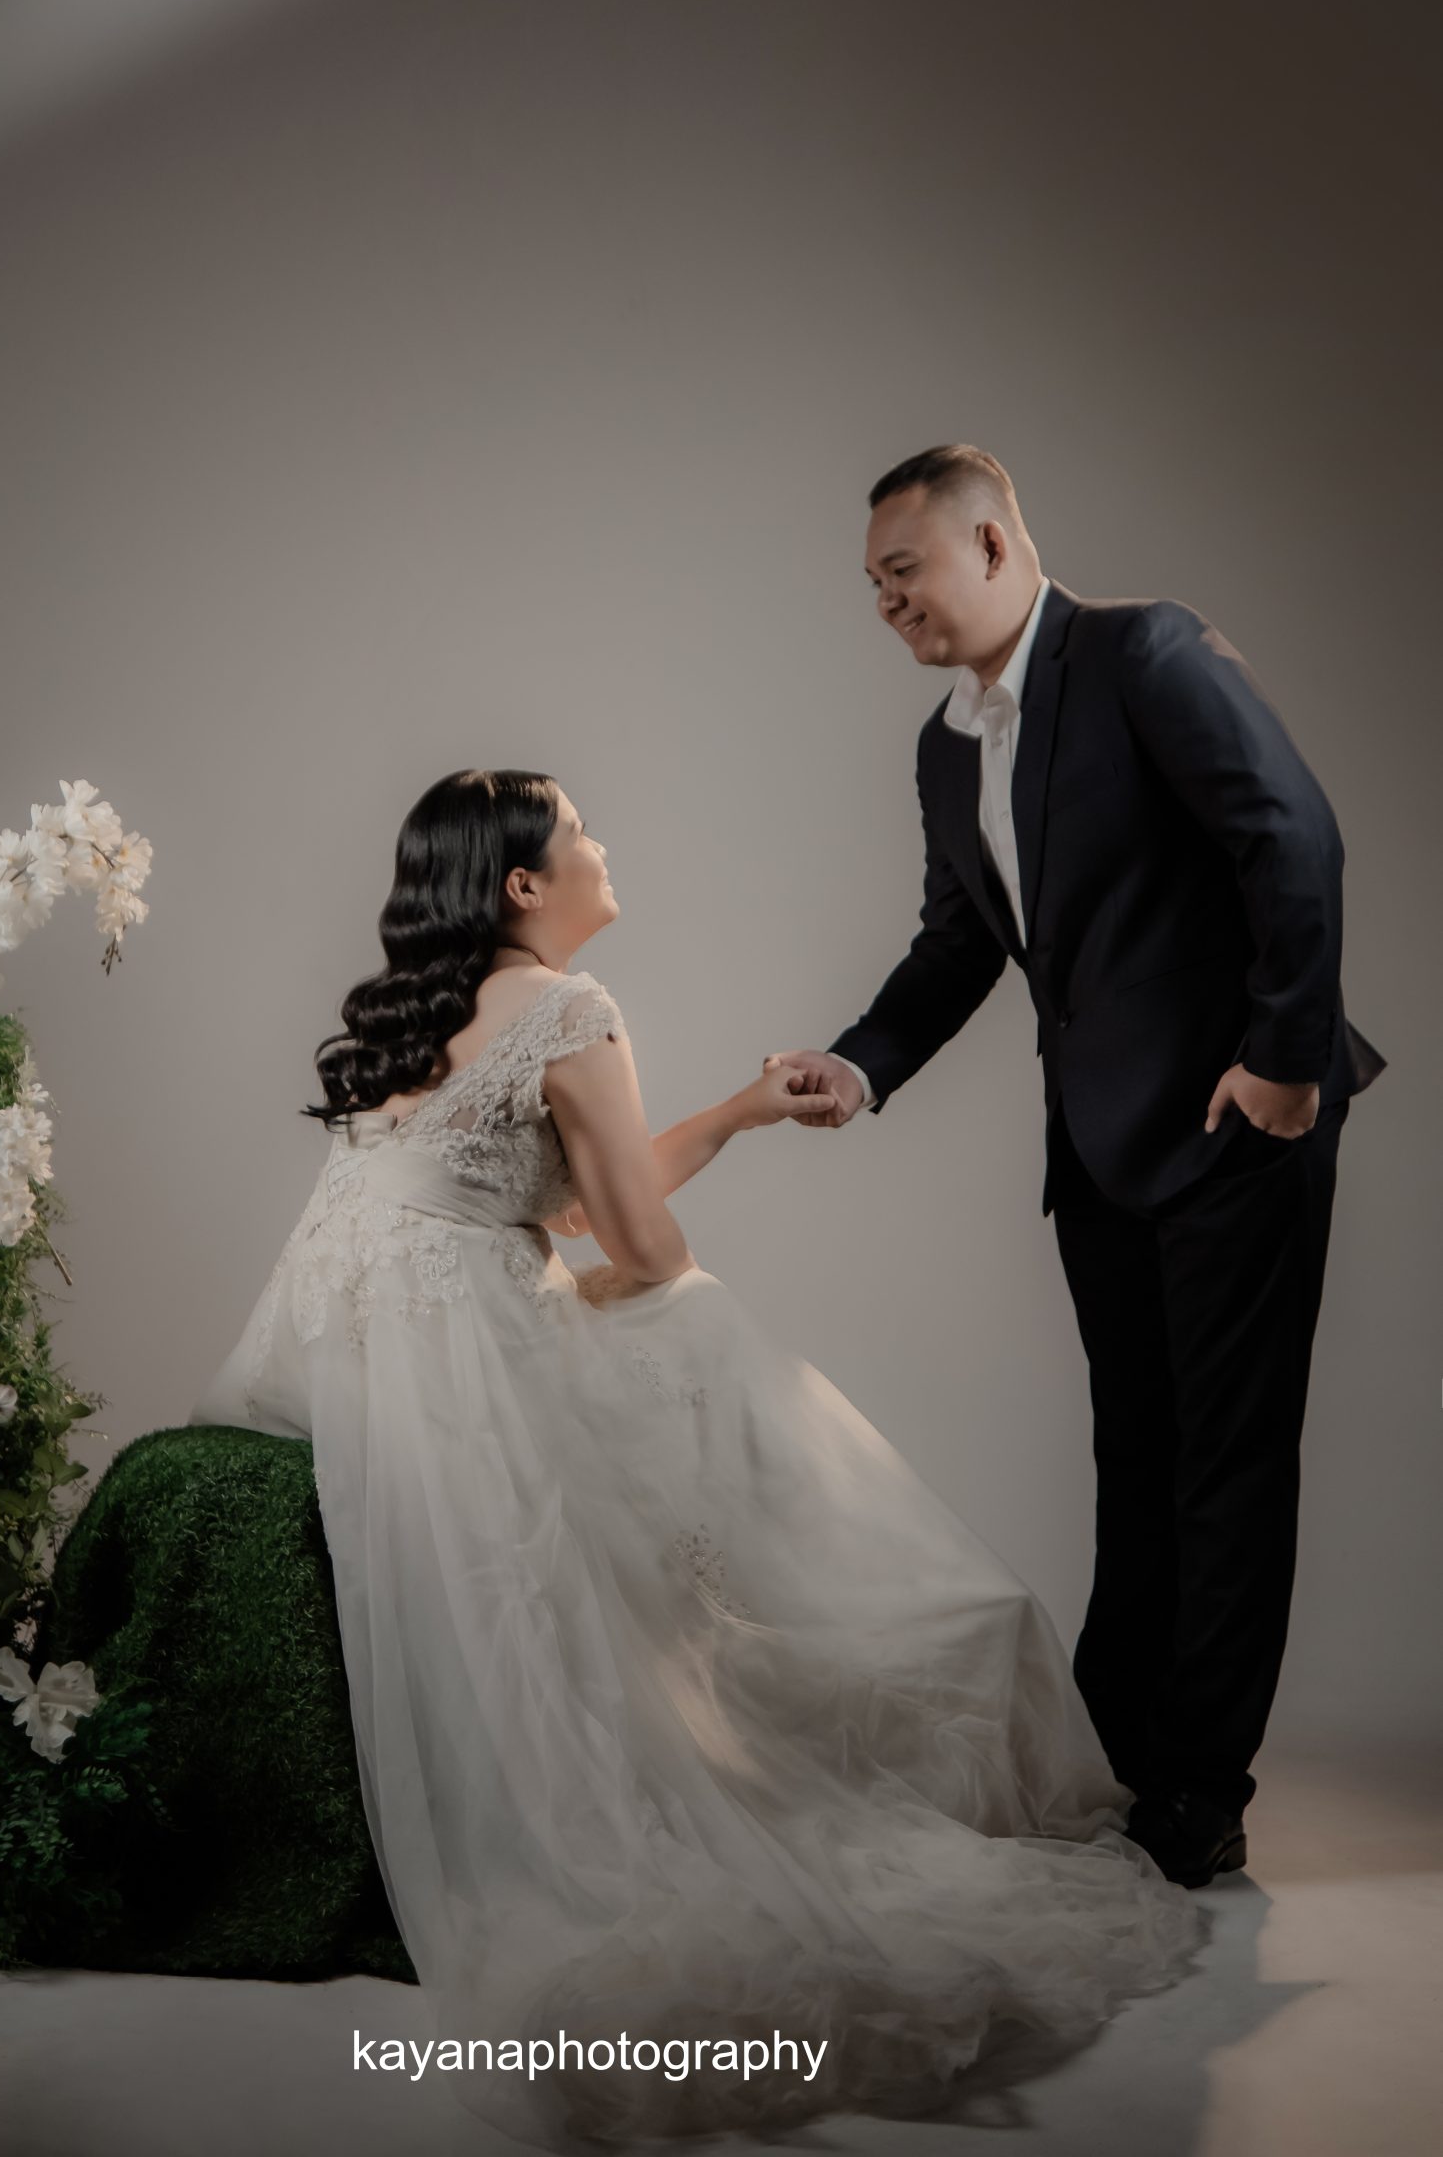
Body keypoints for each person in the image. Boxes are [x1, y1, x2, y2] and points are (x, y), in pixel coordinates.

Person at [190, 764, 1209, 2151]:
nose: (602, 843)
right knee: (699, 1325)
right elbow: (634, 1241)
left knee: (638, 1341)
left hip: (354, 1352)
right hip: (462, 1343)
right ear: (524, 885)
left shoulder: (426, 1010)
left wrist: (736, 1111)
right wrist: (653, 1297)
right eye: (579, 830)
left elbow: (560, 1203)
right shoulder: (567, 1006)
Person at [769, 442, 1386, 1896]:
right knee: (1137, 1455)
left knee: (1227, 1465)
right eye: (871, 585)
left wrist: (1286, 1061)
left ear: (992, 545)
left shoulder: (1143, 652)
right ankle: (1117, 1754)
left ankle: (1201, 1792)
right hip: (1099, 1151)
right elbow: (960, 944)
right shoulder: (946, 747)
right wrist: (858, 1066)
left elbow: (1293, 834)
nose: (886, 602)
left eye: (904, 570)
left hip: (1241, 1124)